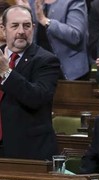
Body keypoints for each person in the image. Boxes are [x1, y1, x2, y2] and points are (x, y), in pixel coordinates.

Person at [0, 5, 61, 159]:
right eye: (14, 25)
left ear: (33, 28)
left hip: (28, 150)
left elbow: (36, 97)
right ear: (3, 29)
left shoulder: (46, 60)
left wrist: (6, 72)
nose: (21, 31)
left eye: (26, 25)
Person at [17, 0, 90, 80]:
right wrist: (25, 15)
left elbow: (75, 36)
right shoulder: (31, 2)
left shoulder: (73, 2)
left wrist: (45, 21)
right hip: (39, 69)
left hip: (69, 73)